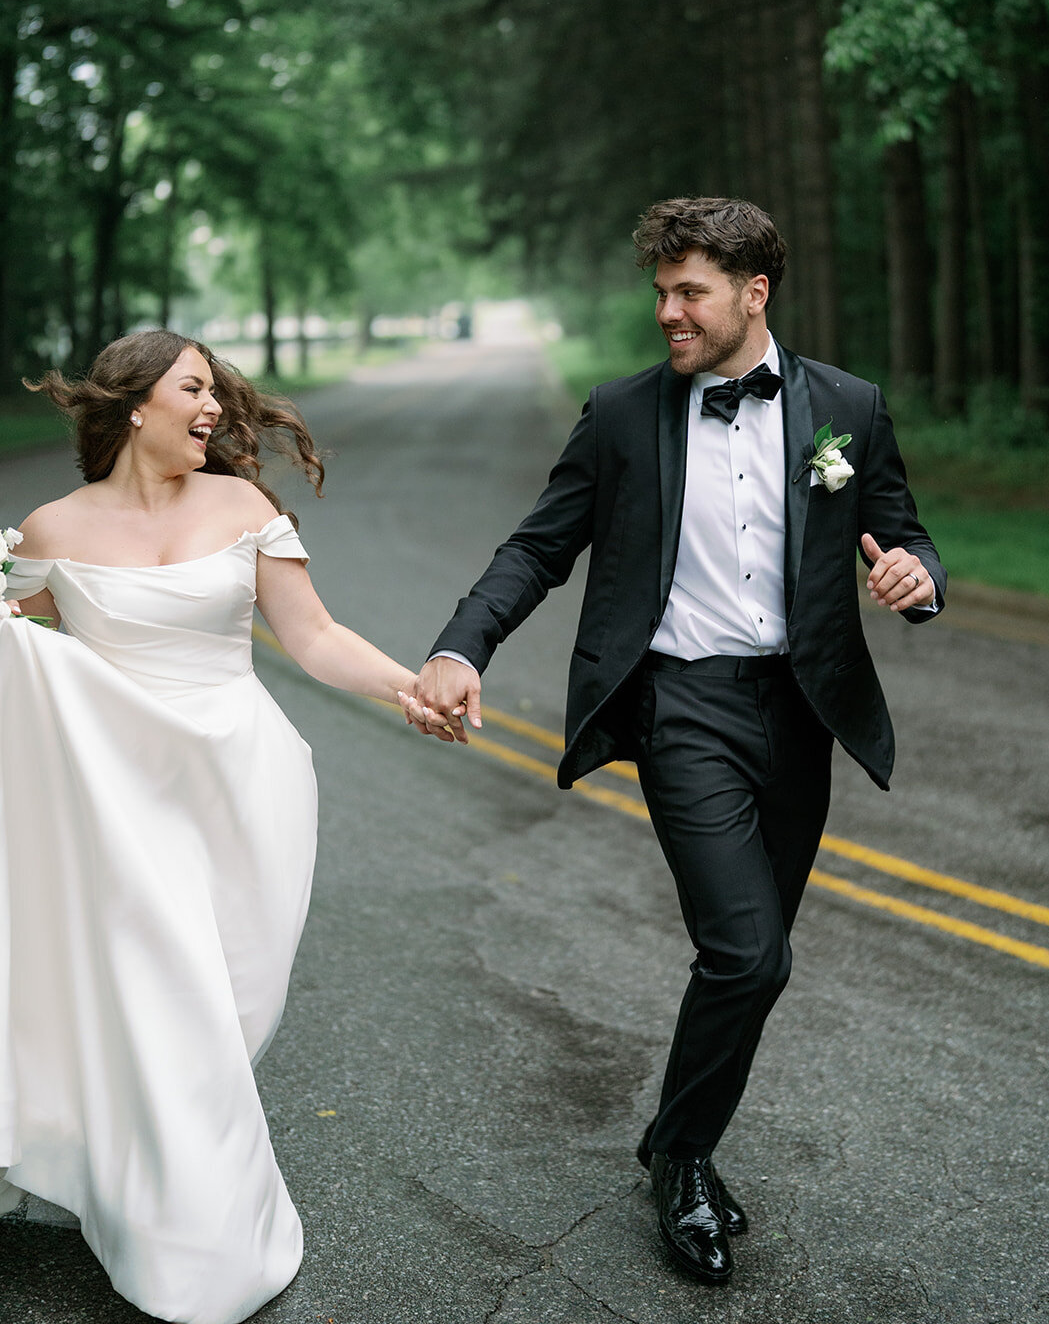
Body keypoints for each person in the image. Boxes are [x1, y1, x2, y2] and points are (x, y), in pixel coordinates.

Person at [408, 197, 946, 1287]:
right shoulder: (619, 415)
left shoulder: (845, 406)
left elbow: (902, 526)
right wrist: (462, 648)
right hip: (680, 708)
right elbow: (535, 548)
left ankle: (672, 1136)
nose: (667, 310)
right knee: (748, 951)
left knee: (748, 966)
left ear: (753, 294)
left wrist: (918, 576)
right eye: (659, 290)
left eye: (687, 290)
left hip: (800, 711)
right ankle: (684, 1161)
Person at [0, 330, 447, 1324]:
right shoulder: (54, 528)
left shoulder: (242, 506)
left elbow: (314, 636)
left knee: (231, 999)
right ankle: (192, 1237)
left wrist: (406, 686)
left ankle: (136, 1164)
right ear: (132, 405)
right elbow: (13, 646)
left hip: (239, 783)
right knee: (167, 1005)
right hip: (117, 802)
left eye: (214, 388)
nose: (217, 405)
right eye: (194, 387)